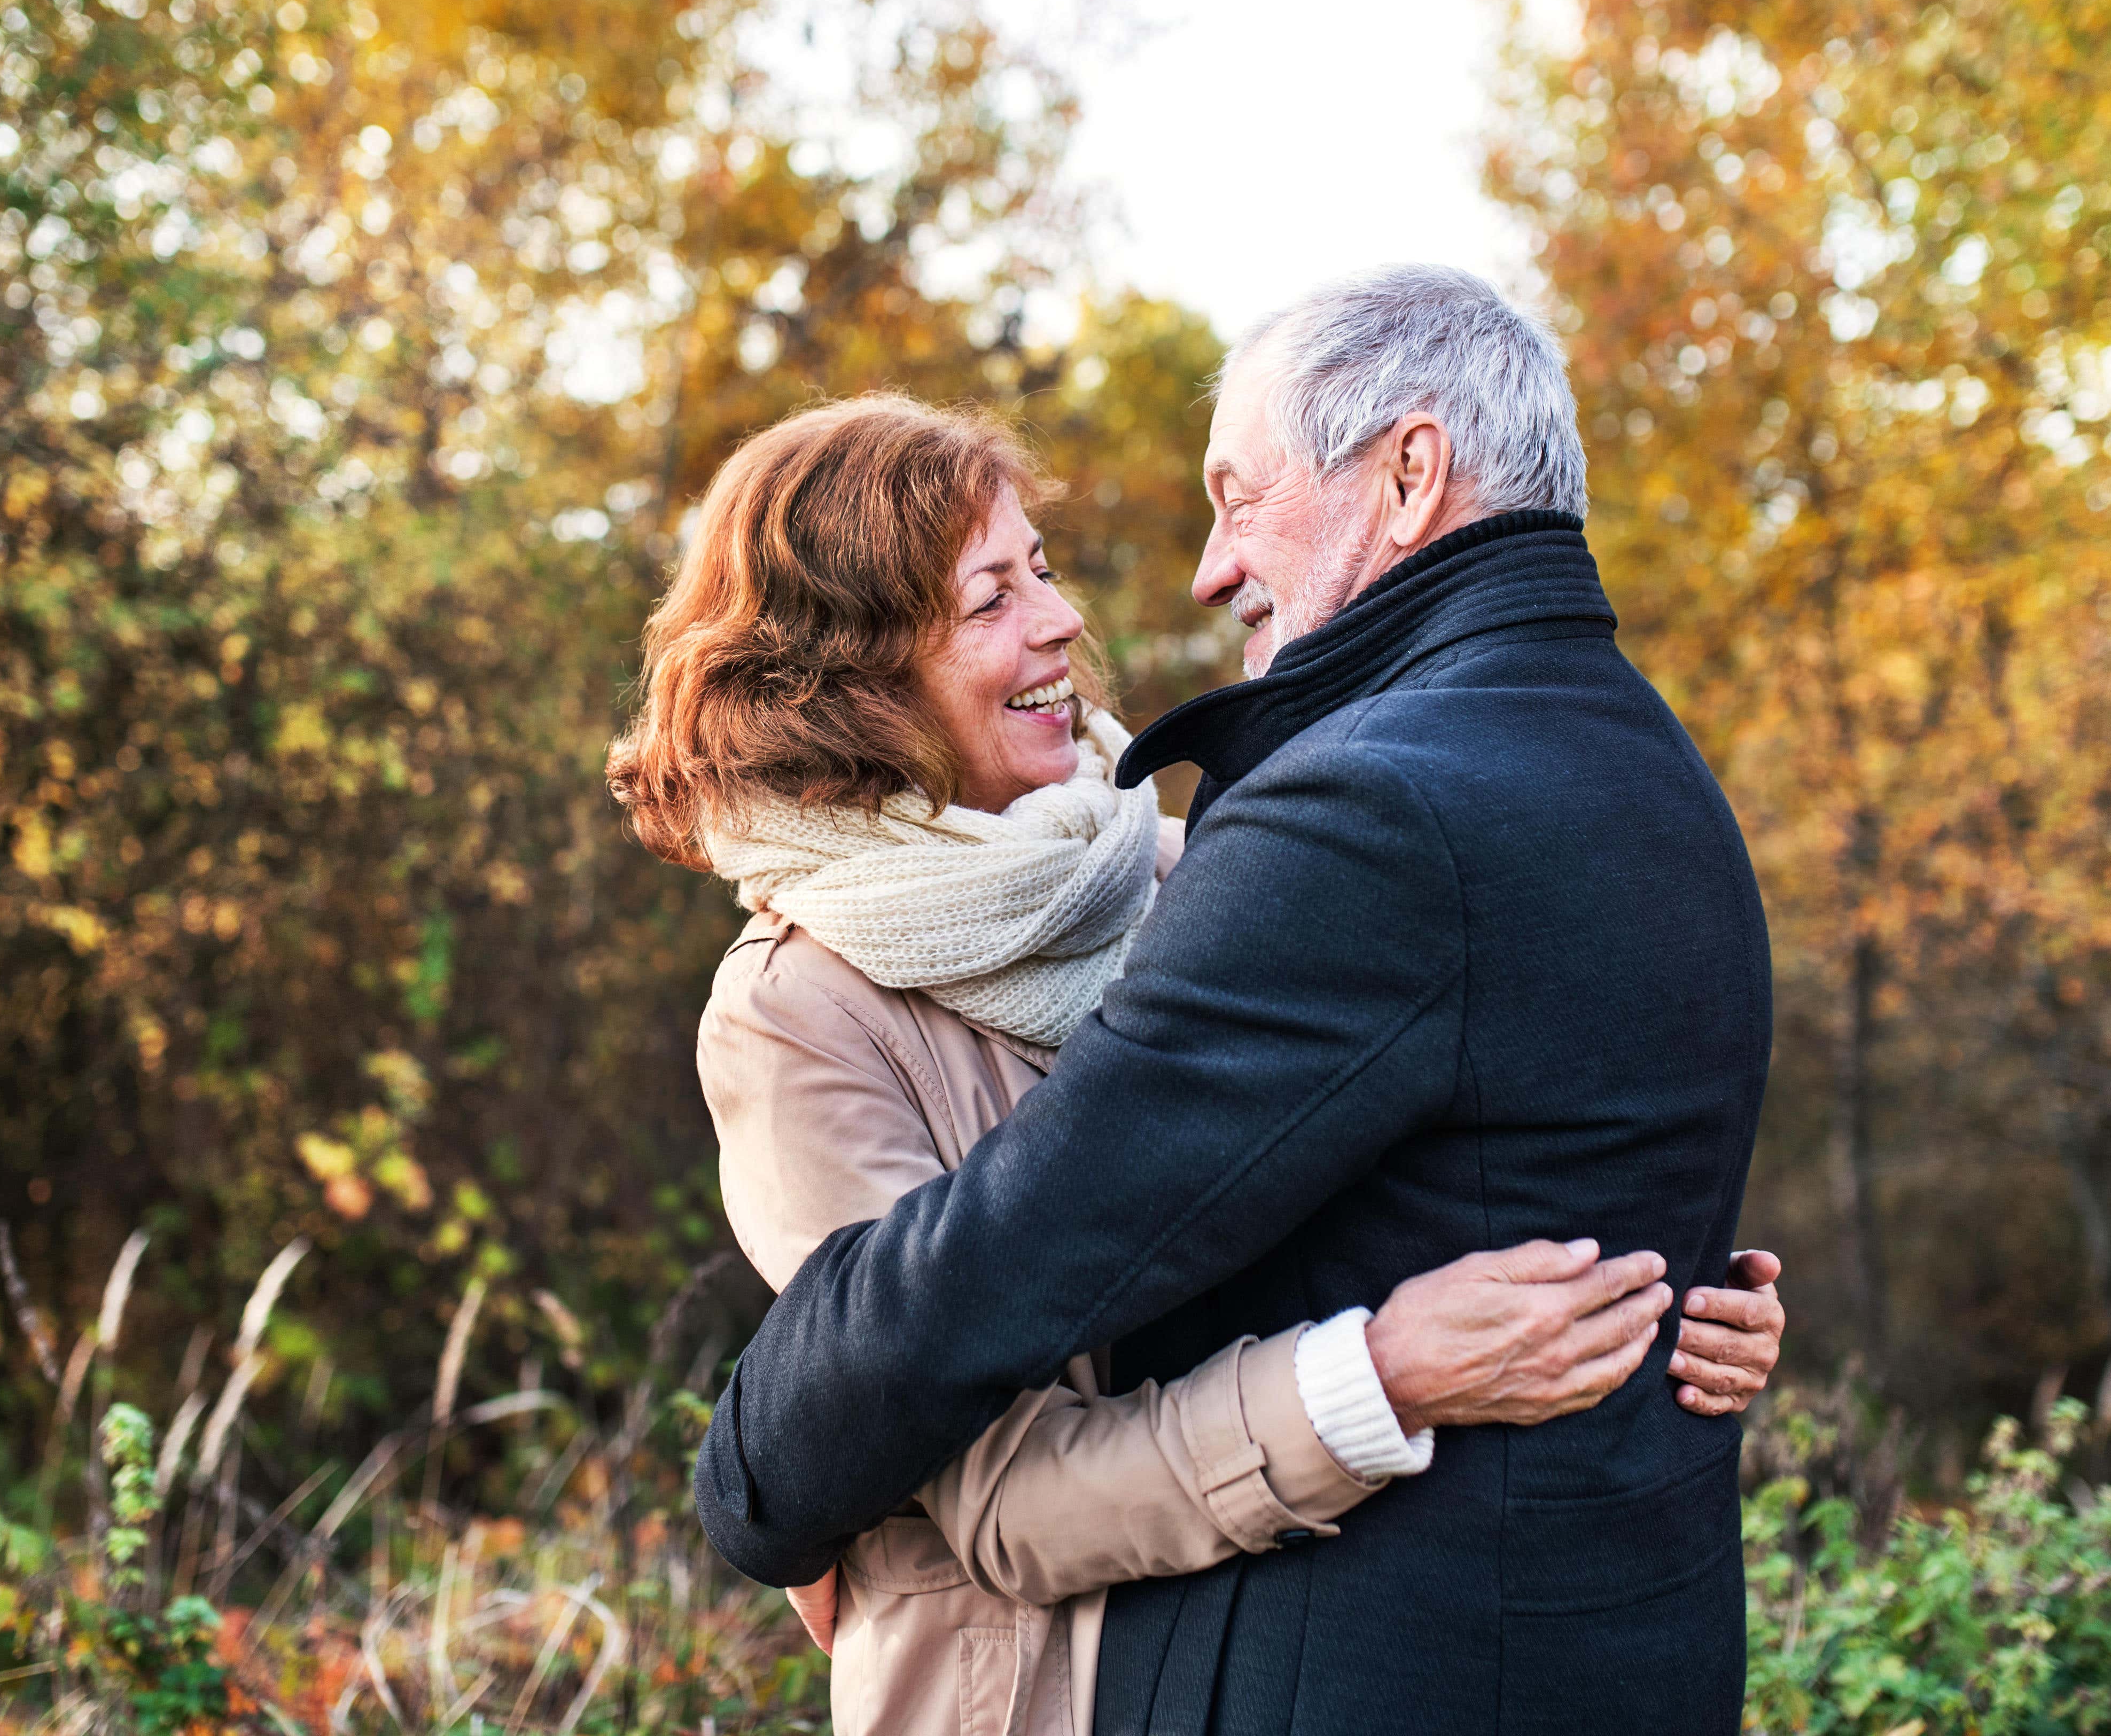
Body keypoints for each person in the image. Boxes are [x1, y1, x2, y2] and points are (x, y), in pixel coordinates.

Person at [684, 266, 1780, 1734]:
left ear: (1409, 475)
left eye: (1042, 570)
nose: (1092, 613)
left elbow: (1459, 1145)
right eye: (994, 597)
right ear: (861, 674)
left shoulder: (1205, 861)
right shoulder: (802, 1010)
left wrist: (1673, 1277)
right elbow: (993, 1467)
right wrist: (1382, 1371)